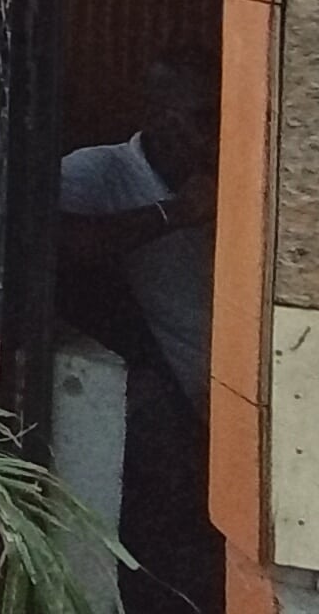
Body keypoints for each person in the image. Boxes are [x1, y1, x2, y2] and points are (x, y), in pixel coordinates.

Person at [59, 52, 219, 406]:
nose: (220, 132)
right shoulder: (99, 170)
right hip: (177, 388)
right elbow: (59, 242)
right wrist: (176, 213)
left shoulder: (241, 169)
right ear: (157, 117)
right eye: (206, 117)